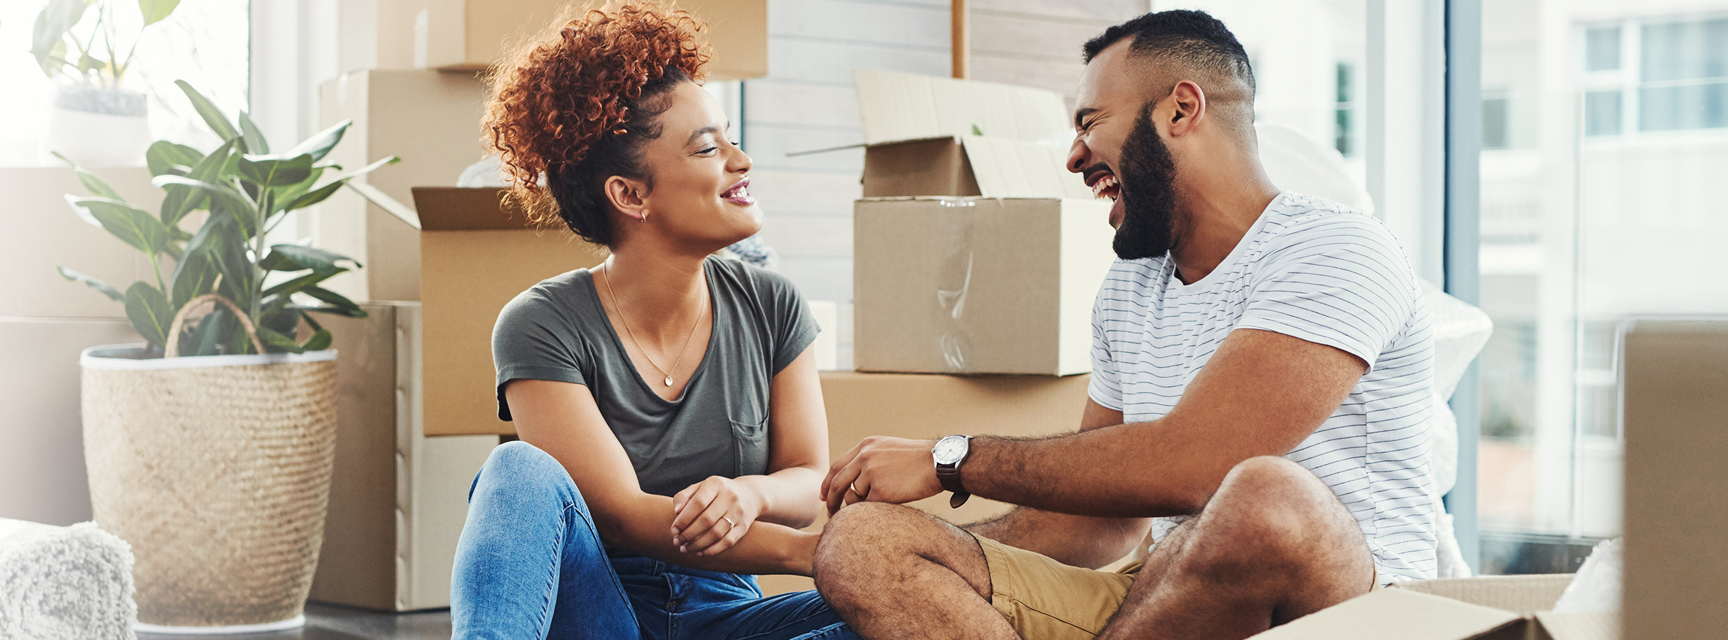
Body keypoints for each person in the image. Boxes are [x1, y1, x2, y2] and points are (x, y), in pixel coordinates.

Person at [809, 10, 1439, 640]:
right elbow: (1094, 525)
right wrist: (942, 551)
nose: (1074, 156)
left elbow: (1196, 467)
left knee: (1267, 499)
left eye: (1090, 123)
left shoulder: (1334, 249)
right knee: (865, 543)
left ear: (1180, 110)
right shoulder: (1131, 287)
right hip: (1164, 596)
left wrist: (953, 460)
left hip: (1358, 611)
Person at [447, 3, 854, 639]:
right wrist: (808, 557)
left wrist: (752, 495)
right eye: (708, 148)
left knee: (906, 604)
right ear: (631, 195)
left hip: (731, 615)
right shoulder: (541, 323)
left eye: (732, 138)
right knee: (514, 470)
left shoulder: (773, 305)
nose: (741, 162)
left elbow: (807, 479)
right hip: (600, 611)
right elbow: (624, 518)